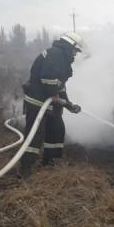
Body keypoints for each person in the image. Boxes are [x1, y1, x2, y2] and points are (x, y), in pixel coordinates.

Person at [19, 32, 83, 179]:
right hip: (37, 101)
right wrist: (54, 96)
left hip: (50, 101)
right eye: (75, 50)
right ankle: (25, 168)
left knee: (57, 129)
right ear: (70, 46)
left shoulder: (63, 59)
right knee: (35, 134)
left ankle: (50, 162)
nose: (75, 54)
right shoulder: (56, 54)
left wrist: (68, 103)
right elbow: (47, 78)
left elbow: (60, 86)